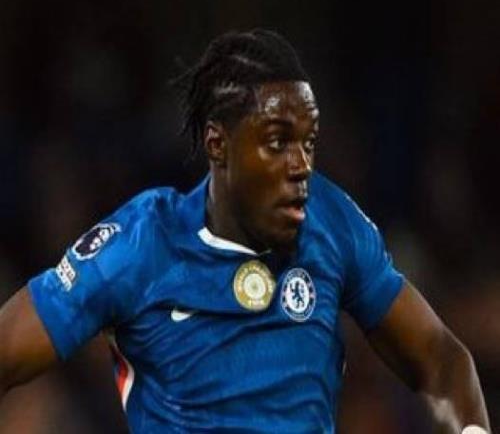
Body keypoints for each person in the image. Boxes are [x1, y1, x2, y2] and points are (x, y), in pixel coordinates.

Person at [0, 29, 490, 433]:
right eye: (277, 142)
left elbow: (440, 359)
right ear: (218, 144)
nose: (300, 165)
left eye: (308, 142)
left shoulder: (331, 223)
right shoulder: (142, 242)